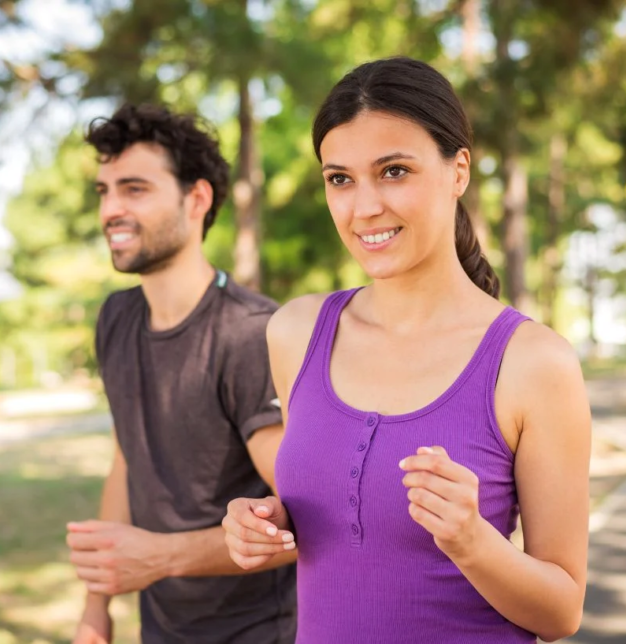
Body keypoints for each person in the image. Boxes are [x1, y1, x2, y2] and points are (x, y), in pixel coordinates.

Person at [222, 57, 591, 643]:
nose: (364, 206)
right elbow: (345, 514)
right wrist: (267, 523)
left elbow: (562, 612)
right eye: (340, 179)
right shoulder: (295, 332)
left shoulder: (532, 363)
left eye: (394, 171)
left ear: (458, 171)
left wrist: (472, 542)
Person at [66, 103, 297, 644]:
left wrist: (161, 557)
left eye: (135, 189)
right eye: (104, 191)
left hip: (262, 632)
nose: (111, 209)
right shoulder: (115, 318)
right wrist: (96, 610)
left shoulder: (251, 333)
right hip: (162, 628)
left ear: (196, 199)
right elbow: (128, 459)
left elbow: (304, 521)